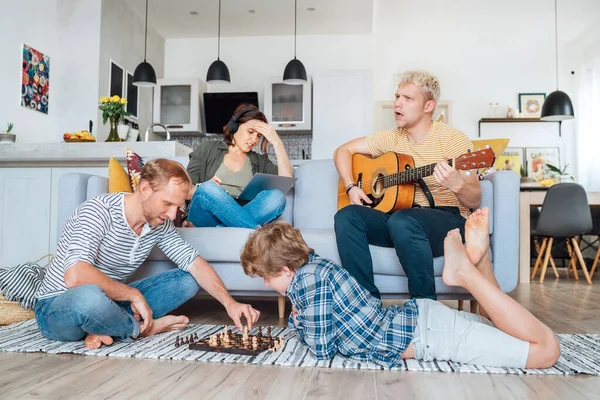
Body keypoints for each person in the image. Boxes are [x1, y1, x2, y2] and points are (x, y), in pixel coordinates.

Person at [239, 210, 560, 369]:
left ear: (285, 270)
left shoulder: (307, 282)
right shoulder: (314, 267)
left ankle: (465, 272)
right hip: (423, 319)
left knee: (546, 351)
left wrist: (298, 319)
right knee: (508, 331)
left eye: (267, 278)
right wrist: (299, 313)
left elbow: (321, 348)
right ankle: (482, 262)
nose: (267, 285)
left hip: (431, 335)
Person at [35, 159, 260, 349]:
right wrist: (134, 295)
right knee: (90, 297)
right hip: (57, 306)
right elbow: (75, 276)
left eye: (178, 207)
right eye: (167, 203)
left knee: (188, 280)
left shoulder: (160, 224)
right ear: (145, 189)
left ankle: (107, 327)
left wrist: (231, 304)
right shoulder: (97, 211)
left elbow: (195, 264)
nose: (173, 215)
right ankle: (142, 329)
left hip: (111, 301)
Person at [333, 70, 482, 300]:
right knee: (347, 216)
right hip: (399, 221)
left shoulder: (454, 140)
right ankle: (364, 303)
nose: (397, 104)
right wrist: (351, 186)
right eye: (397, 97)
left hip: (447, 221)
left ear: (428, 106)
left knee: (404, 220)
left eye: (408, 99)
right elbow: (343, 150)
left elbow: (474, 200)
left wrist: (457, 185)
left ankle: (425, 310)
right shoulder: (391, 138)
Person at [185, 104, 293, 229]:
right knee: (208, 188)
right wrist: (208, 190)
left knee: (277, 197)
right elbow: (185, 190)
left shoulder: (260, 161)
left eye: (258, 136)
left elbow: (287, 181)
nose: (254, 140)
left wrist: (277, 142)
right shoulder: (207, 148)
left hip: (242, 213)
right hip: (205, 216)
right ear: (234, 127)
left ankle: (225, 229)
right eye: (251, 132)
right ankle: (253, 232)